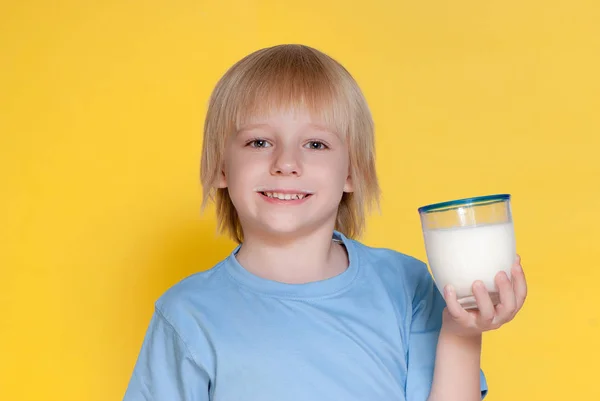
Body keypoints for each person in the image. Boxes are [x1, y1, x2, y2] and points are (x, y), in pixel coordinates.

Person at [123, 44, 527, 401]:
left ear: (351, 173)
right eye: (259, 142)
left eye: (315, 144)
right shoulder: (187, 315)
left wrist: (462, 332)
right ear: (221, 167)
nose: (285, 163)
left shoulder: (409, 287)